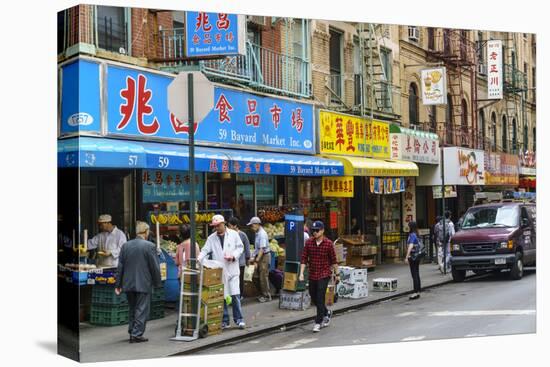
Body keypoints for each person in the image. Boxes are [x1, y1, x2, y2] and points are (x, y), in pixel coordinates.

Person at [115, 221, 162, 343]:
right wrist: (158, 283)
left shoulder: (126, 246)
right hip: (143, 282)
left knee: (132, 308)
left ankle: (132, 331)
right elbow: (154, 267)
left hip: (128, 283)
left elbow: (120, 266)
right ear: (146, 232)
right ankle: (136, 334)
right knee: (141, 309)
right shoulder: (149, 246)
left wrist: (118, 284)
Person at [198, 215, 246, 330]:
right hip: (220, 271)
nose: (217, 228)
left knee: (235, 295)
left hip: (232, 269)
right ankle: (225, 320)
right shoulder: (211, 238)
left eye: (218, 225)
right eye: (215, 226)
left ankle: (239, 319)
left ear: (224, 224)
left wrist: (233, 256)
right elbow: (205, 250)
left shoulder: (234, 235)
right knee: (222, 296)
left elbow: (240, 247)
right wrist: (198, 259)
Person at [299, 221, 339, 333]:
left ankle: (318, 322)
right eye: (313, 230)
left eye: (317, 230)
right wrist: (301, 273)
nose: (314, 232)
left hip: (324, 274)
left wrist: (337, 274)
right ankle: (326, 312)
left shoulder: (328, 243)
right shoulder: (308, 243)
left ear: (322, 230)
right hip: (313, 274)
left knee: (320, 297)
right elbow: (303, 258)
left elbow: (334, 260)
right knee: (314, 297)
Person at [247, 216, 272, 303]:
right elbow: (257, 249)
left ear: (257, 224)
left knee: (263, 276)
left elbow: (262, 249)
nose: (251, 227)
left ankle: (266, 295)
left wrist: (256, 260)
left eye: (252, 225)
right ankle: (262, 293)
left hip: (264, 256)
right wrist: (253, 256)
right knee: (255, 276)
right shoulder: (257, 233)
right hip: (259, 256)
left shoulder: (262, 234)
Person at [227, 217, 251, 299]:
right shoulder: (228, 235)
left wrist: (248, 259)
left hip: (240, 262)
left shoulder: (242, 235)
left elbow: (247, 248)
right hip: (231, 261)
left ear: (235, 226)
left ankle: (240, 295)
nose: (228, 227)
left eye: (229, 226)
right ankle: (232, 295)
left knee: (239, 279)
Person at [404, 221, 422, 300]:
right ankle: (418, 291)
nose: (408, 227)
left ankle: (415, 292)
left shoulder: (412, 235)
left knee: (414, 274)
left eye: (409, 226)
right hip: (417, 256)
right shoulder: (417, 234)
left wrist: (406, 256)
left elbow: (410, 246)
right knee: (416, 273)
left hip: (413, 256)